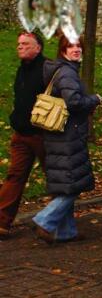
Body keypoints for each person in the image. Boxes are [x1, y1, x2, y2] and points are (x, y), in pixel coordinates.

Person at [32, 33, 102, 244]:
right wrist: (94, 99)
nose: (76, 49)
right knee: (74, 184)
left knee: (67, 183)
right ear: (63, 50)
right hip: (67, 135)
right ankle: (44, 219)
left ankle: (66, 232)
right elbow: (73, 102)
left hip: (60, 134)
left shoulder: (63, 70)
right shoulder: (67, 73)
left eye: (78, 46)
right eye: (71, 46)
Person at [0, 32, 47, 239]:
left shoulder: (48, 68)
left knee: (55, 178)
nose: (20, 47)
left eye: (26, 44)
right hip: (21, 135)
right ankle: (2, 222)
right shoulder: (21, 69)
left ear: (38, 47)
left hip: (42, 136)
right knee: (14, 176)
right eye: (19, 44)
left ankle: (58, 221)